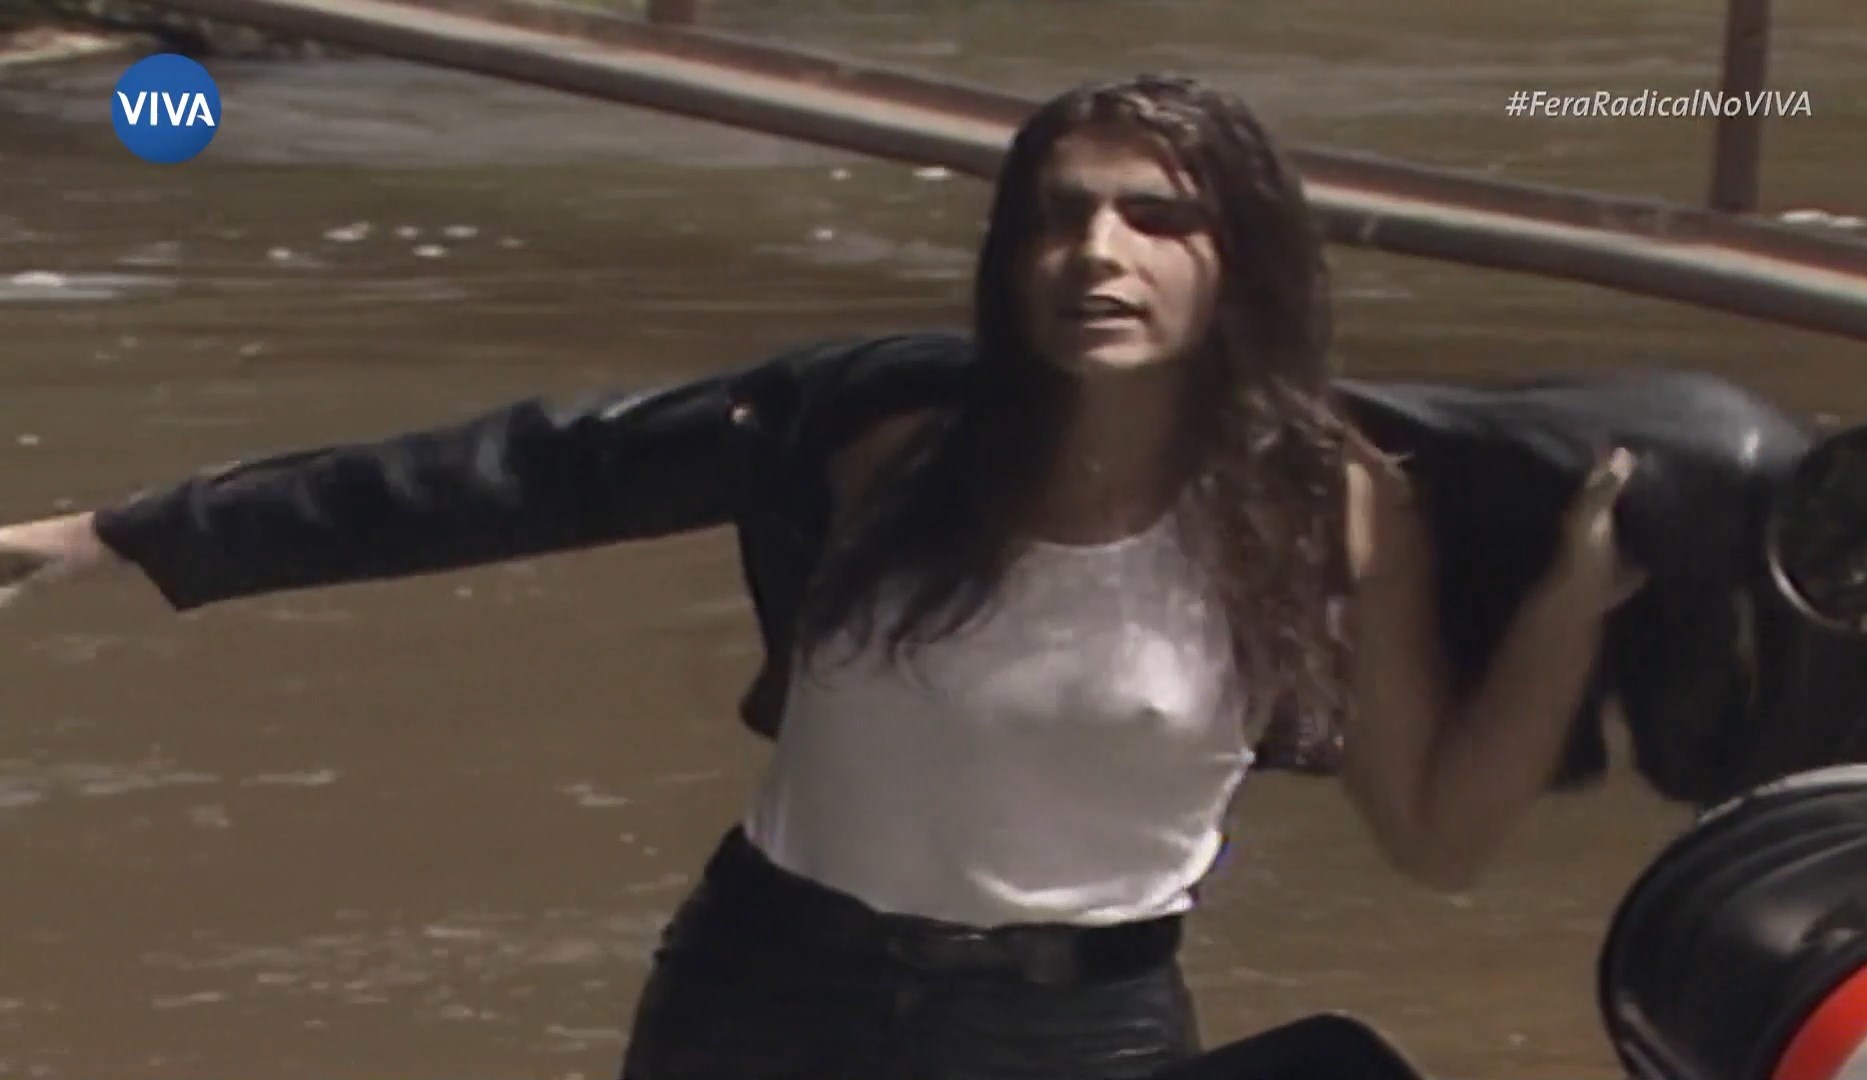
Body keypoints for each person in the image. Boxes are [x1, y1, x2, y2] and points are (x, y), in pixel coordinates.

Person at [0, 73, 1646, 1079]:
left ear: (1246, 261)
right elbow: (524, 476)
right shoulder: (886, 433)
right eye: (1059, 216)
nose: (1099, 253)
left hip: (1071, 1032)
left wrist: (1569, 607)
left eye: (1160, 218)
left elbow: (1437, 835)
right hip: (768, 987)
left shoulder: (1326, 511)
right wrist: (130, 534)